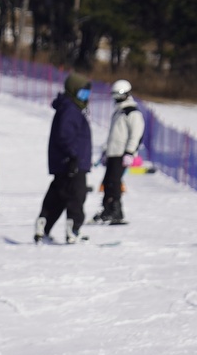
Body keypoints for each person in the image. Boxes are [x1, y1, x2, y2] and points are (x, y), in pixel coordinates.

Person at [36, 73, 93, 244]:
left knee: (59, 194)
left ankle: (43, 225)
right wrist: (74, 155)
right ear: (74, 89)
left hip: (65, 161)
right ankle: (73, 229)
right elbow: (65, 135)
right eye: (83, 91)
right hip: (71, 161)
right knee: (77, 194)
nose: (86, 95)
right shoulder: (71, 109)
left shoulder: (69, 107)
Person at [94, 79, 145, 225]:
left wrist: (130, 152)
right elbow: (114, 134)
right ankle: (107, 210)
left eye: (119, 95)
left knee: (115, 183)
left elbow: (136, 134)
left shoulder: (132, 112)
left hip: (122, 154)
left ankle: (117, 212)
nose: (116, 98)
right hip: (113, 152)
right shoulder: (119, 111)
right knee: (107, 182)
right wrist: (106, 151)